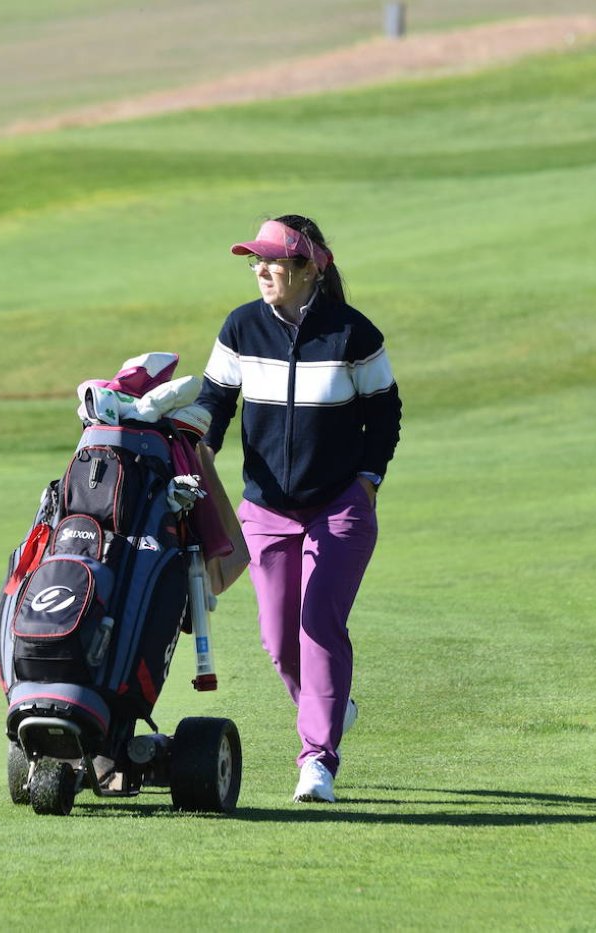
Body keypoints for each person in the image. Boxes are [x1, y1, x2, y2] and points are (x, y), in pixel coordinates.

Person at [195, 215, 402, 803]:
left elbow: (384, 412)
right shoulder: (241, 327)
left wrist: (368, 480)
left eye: (272, 261)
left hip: (338, 507)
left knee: (318, 627)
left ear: (309, 267)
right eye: (254, 261)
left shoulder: (352, 334)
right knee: (278, 639)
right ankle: (333, 707)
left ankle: (318, 759)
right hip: (264, 508)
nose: (260, 270)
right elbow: (215, 399)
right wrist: (202, 451)